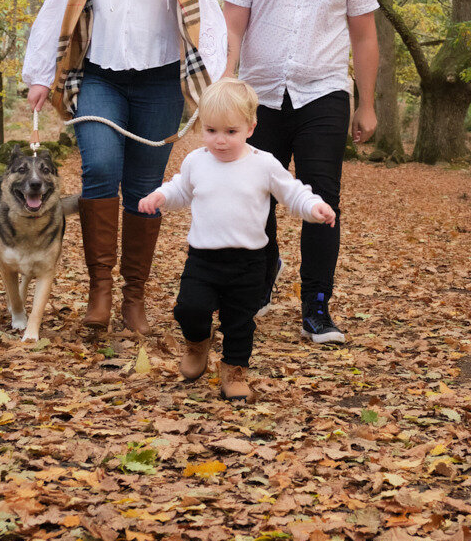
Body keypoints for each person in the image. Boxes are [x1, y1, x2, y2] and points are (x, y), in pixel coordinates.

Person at [21, 0, 226, 336]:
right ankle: (100, 289)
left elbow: (208, 14)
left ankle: (134, 295)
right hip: (98, 79)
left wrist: (215, 83)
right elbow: (59, 4)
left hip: (160, 84)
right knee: (100, 167)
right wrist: (38, 74)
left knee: (142, 189)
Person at [221, 0, 378, 346]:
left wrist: (367, 103)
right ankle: (263, 271)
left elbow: (366, 37)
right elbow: (231, 24)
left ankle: (316, 307)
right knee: (253, 194)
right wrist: (226, 81)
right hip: (259, 95)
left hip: (324, 94)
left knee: (321, 201)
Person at [138, 78, 335, 400]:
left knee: (239, 321)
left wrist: (314, 207)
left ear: (250, 128)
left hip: (248, 262)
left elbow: (292, 192)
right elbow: (180, 189)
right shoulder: (196, 161)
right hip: (202, 258)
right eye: (211, 130)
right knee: (190, 308)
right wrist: (160, 196)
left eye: (231, 132)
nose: (220, 141)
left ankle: (234, 370)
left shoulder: (263, 164)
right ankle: (197, 344)